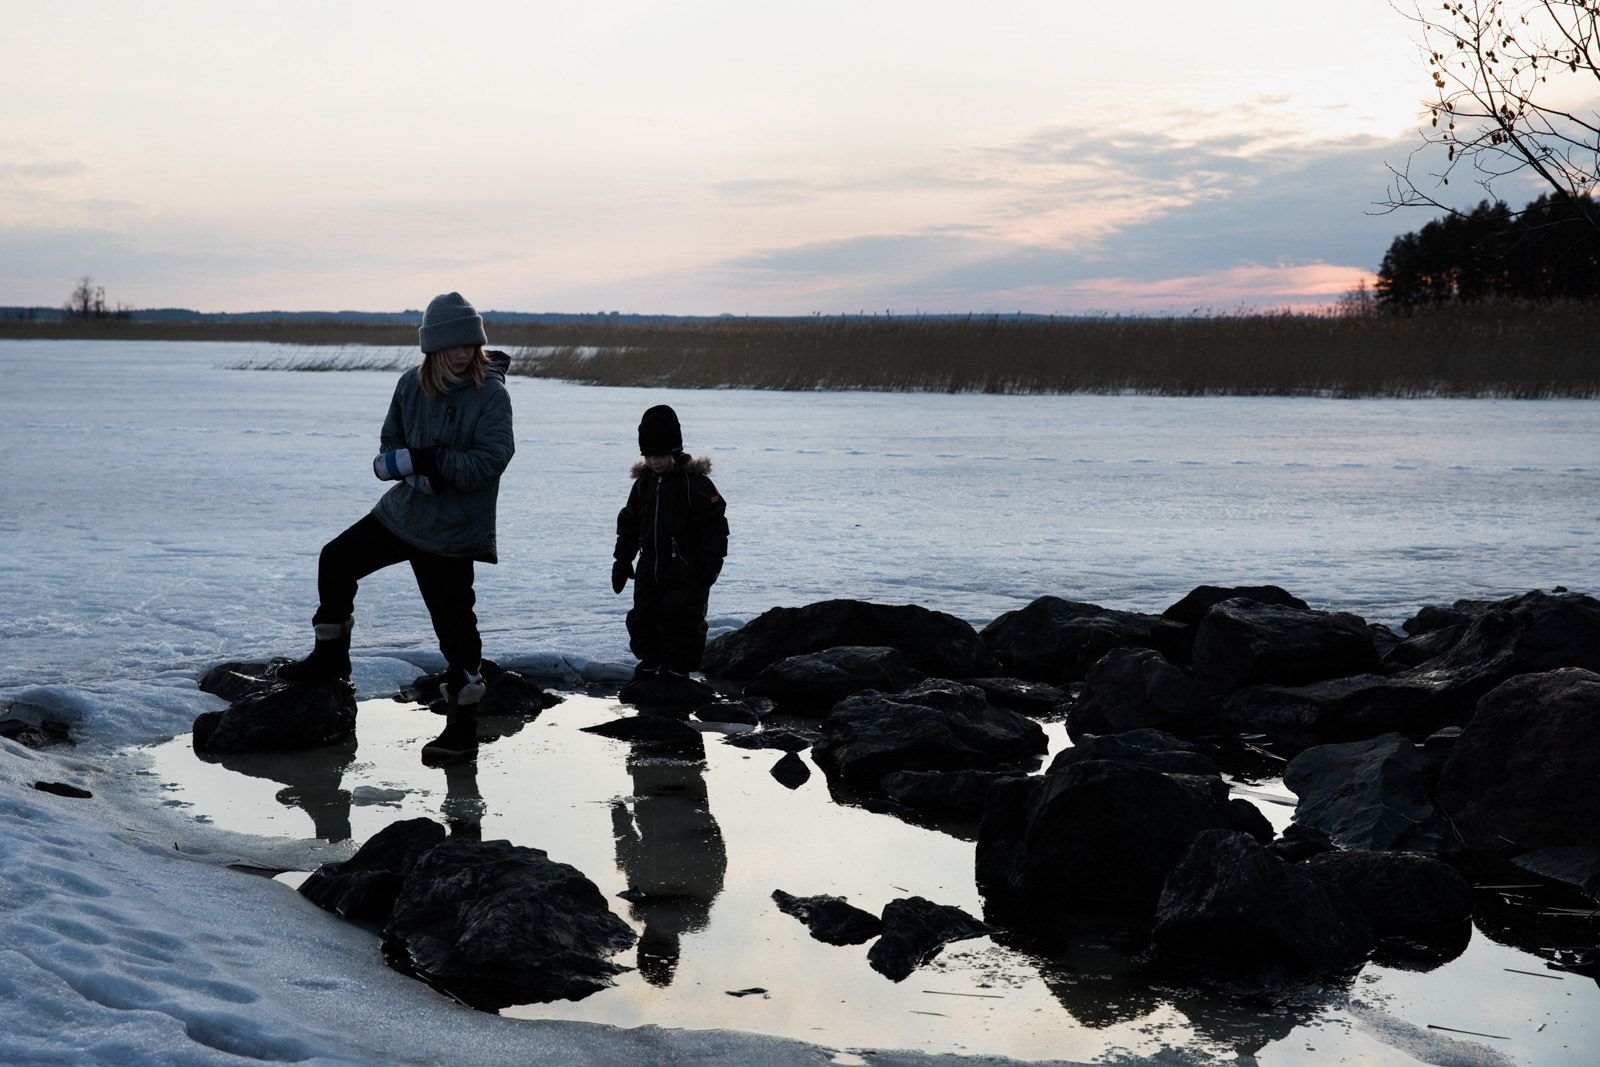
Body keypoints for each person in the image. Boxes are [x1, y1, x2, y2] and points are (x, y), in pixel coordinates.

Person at [276, 292, 515, 764]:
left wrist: (433, 461)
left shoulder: (491, 393)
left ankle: (462, 733)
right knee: (336, 559)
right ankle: (330, 660)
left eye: (470, 343)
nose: (463, 353)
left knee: (456, 631)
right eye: (453, 345)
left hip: (453, 529)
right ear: (432, 348)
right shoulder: (410, 385)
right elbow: (391, 440)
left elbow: (491, 461)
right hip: (405, 512)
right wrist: (406, 469)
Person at [612, 405, 728, 703]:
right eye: (648, 456)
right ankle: (650, 662)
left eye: (660, 456)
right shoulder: (644, 484)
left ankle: (677, 669)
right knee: (644, 616)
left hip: (687, 571)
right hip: (649, 568)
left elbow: (715, 527)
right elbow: (629, 523)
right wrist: (622, 560)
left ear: (675, 451)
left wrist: (710, 567)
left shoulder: (695, 484)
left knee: (681, 618)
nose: (653, 462)